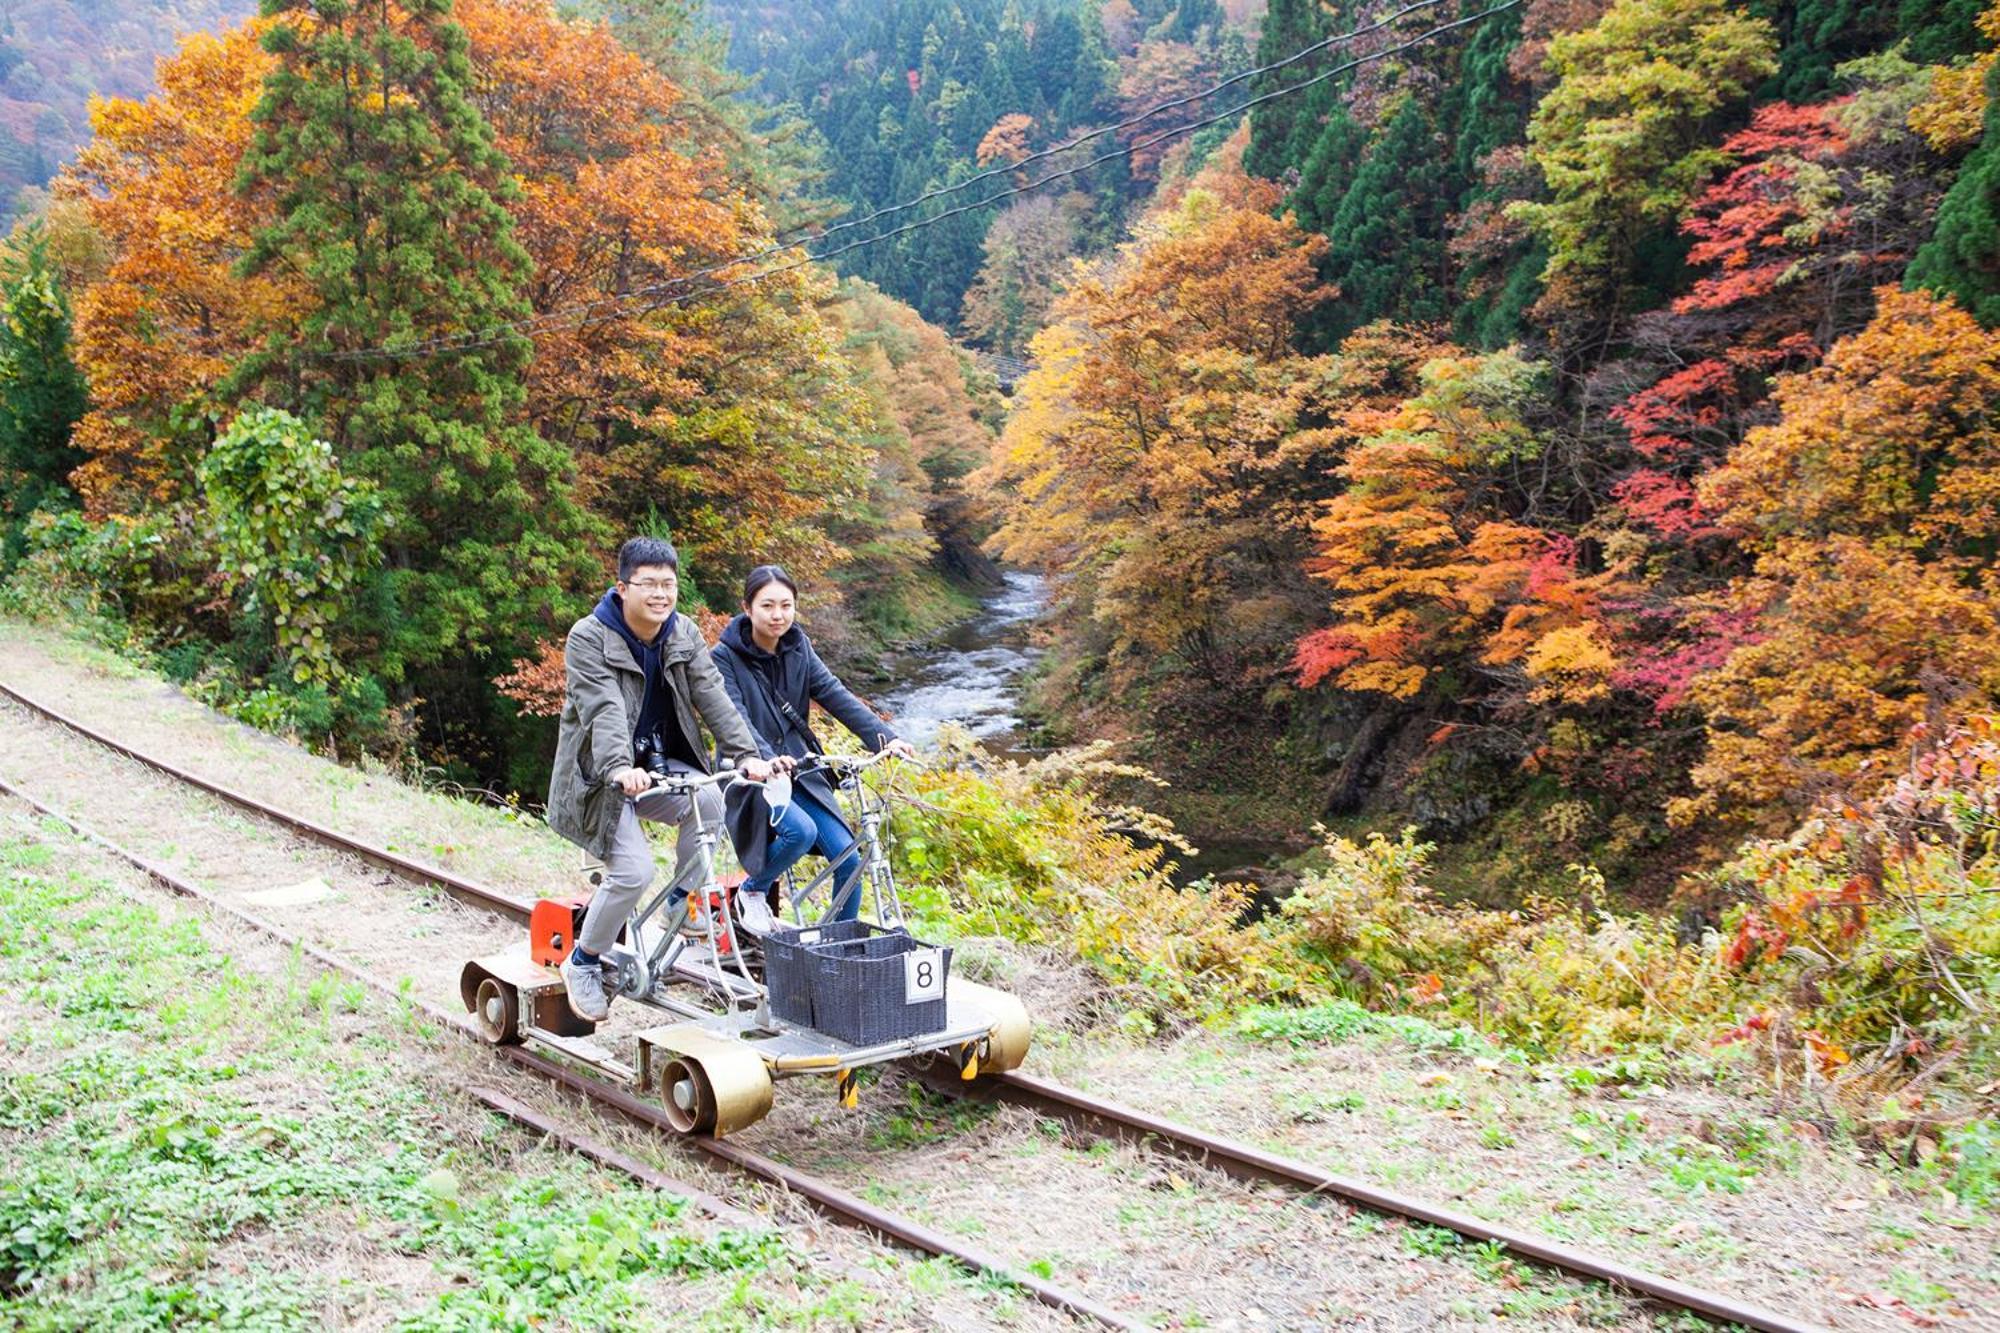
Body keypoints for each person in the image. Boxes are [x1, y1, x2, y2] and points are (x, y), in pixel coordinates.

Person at [546, 537, 783, 1022]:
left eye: (668, 584)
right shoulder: (589, 637)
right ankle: (584, 961)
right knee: (632, 872)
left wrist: (747, 755)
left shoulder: (684, 634)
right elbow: (604, 707)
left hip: (658, 765)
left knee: (712, 804)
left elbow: (713, 695)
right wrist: (617, 767)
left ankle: (679, 902)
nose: (660, 594)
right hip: (599, 778)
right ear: (622, 587)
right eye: (648, 584)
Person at [712, 564, 916, 923]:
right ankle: (753, 890)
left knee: (850, 860)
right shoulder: (724, 658)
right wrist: (763, 760)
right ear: (747, 608)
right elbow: (735, 719)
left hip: (799, 772)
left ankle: (837, 953)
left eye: (786, 606)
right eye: (768, 606)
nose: (778, 615)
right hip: (750, 773)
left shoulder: (798, 647)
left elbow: (833, 694)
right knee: (800, 831)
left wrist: (886, 738)